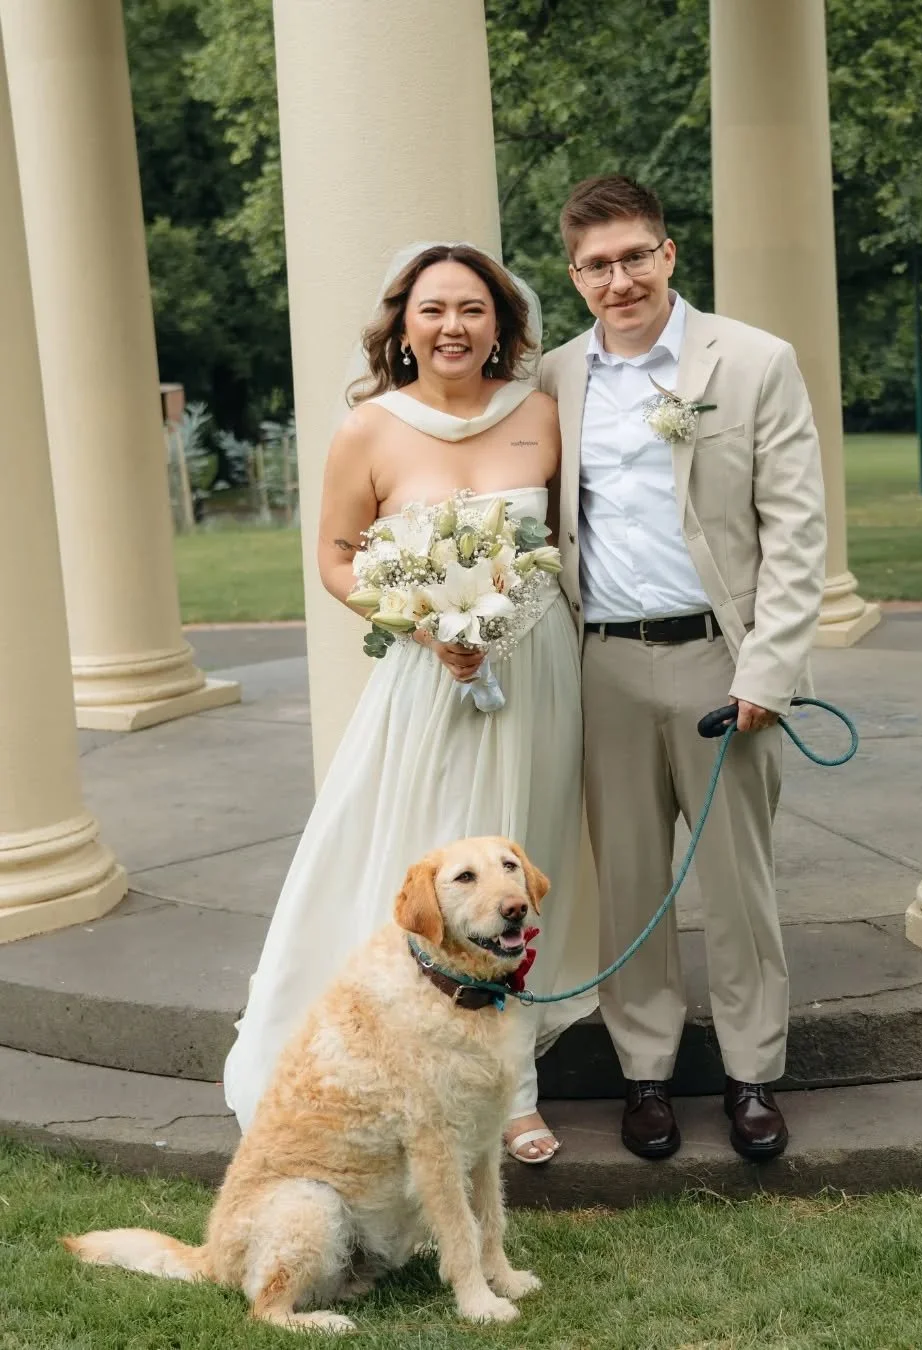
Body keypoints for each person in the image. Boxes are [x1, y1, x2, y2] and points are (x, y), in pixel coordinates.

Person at [223, 243, 595, 1165]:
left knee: (519, 861)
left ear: (502, 325)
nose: (453, 327)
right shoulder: (370, 431)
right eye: (433, 310)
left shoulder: (542, 415)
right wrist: (426, 624)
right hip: (430, 680)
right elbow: (339, 556)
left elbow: (564, 540)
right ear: (403, 326)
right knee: (432, 862)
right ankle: (418, 1066)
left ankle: (515, 1092)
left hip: (537, 672)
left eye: (473, 309)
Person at [540, 176, 826, 1162]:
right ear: (575, 276)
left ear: (667, 254)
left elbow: (796, 530)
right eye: (596, 265)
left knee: (736, 884)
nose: (618, 279)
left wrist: (769, 672)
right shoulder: (555, 379)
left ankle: (752, 1075)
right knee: (627, 881)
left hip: (721, 662)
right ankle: (647, 1076)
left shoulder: (752, 362)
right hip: (602, 668)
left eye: (633, 257)